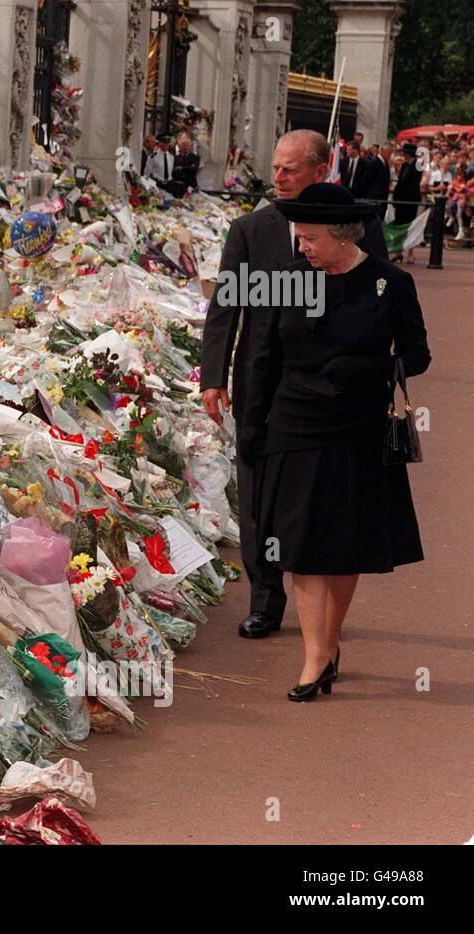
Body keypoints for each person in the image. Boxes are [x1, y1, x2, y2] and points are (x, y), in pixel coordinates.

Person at [241, 183, 430, 700]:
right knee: (299, 544)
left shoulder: (391, 284)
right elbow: (264, 356)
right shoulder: (289, 280)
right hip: (294, 421)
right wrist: (252, 424)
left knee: (343, 544)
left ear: (343, 236)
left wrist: (371, 366)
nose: (301, 247)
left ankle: (327, 642)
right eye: (299, 237)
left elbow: (417, 355)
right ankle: (314, 658)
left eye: (310, 238)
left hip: (358, 426)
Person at [201, 129, 389, 640]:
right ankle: (266, 599)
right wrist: (213, 376)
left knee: (323, 491)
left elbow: (381, 297)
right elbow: (225, 307)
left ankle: (323, 603)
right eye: (276, 167)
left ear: (322, 171)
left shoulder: (360, 227)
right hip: (262, 382)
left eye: (289, 168)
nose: (277, 176)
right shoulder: (249, 230)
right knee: (258, 491)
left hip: (331, 390)